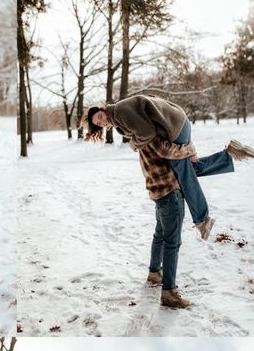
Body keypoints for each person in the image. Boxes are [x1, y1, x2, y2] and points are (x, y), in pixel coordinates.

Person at [85, 95, 254, 242]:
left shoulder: (119, 111)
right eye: (99, 123)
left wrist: (133, 144)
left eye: (100, 116)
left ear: (102, 109)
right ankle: (230, 154)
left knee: (183, 174)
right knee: (186, 170)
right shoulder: (119, 116)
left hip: (174, 127)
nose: (102, 121)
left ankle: (202, 220)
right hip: (177, 123)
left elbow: (147, 133)